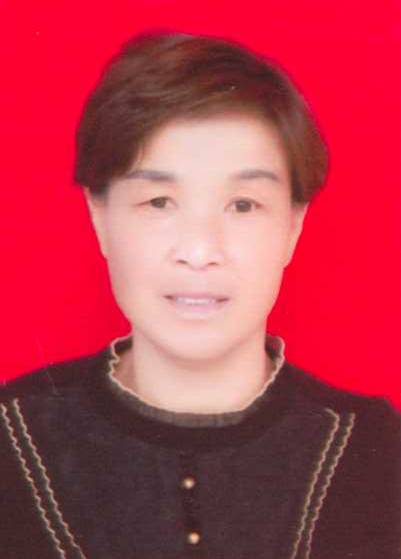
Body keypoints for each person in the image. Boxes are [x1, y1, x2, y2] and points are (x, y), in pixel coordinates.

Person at [0, 31, 399, 559]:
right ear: (99, 217)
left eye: (243, 205)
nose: (200, 251)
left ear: (293, 226)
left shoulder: (376, 450)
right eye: (159, 202)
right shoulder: (11, 439)